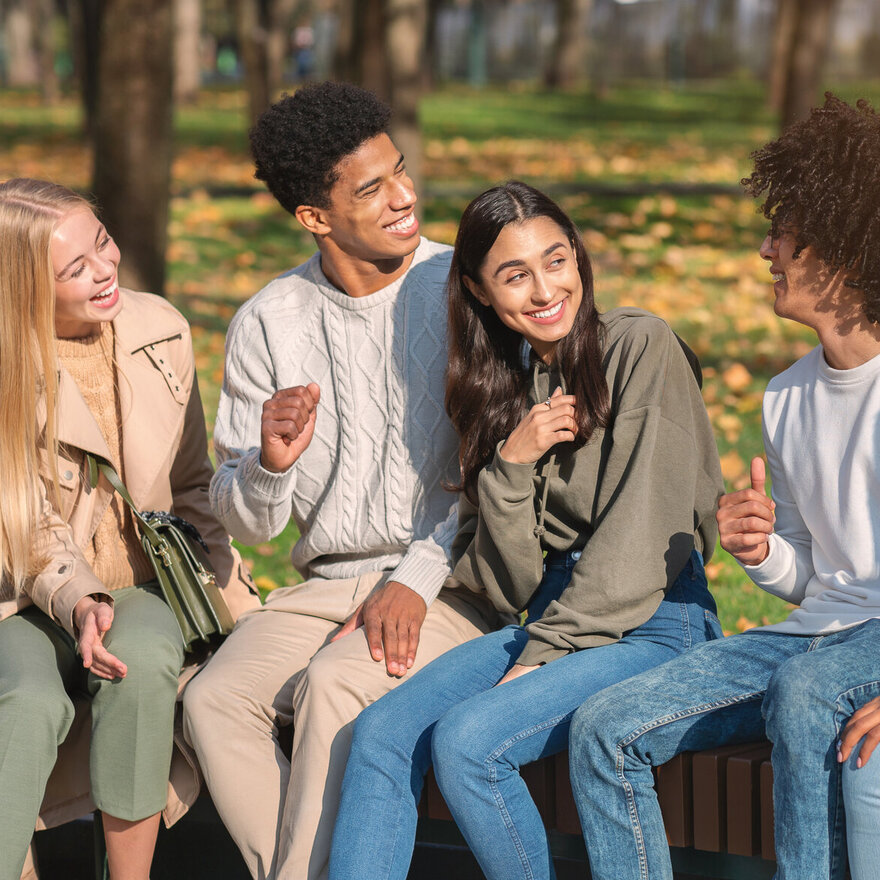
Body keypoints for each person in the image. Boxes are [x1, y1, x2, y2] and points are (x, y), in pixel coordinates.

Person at [328, 181, 724, 880]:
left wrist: (544, 654)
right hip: (558, 614)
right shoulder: (503, 385)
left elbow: (640, 540)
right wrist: (509, 468)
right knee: (381, 735)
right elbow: (506, 583)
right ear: (480, 292)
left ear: (578, 259)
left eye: (557, 261)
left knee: (470, 742)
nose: (545, 290)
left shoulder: (639, 346)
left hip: (656, 618)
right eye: (515, 275)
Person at [181, 82, 501, 880]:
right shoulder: (269, 319)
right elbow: (244, 523)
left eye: (400, 171)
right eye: (372, 188)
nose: (404, 196)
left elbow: (500, 475)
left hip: (452, 580)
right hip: (323, 585)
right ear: (315, 218)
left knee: (331, 684)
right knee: (212, 700)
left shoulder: (466, 291)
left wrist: (416, 578)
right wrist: (267, 466)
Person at [568, 94, 880, 880]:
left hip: (858, 653)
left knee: (807, 693)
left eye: (787, 234)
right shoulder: (786, 395)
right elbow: (814, 577)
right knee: (603, 731)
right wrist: (764, 550)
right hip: (814, 638)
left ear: (845, 245)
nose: (767, 250)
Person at [0, 178, 257, 880]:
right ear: (24, 287)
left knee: (142, 662)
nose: (105, 269)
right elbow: (22, 523)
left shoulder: (160, 328)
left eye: (103, 243)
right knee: (24, 699)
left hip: (140, 583)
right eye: (74, 269)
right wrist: (81, 600)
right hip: (20, 592)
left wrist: (232, 597)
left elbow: (192, 482)